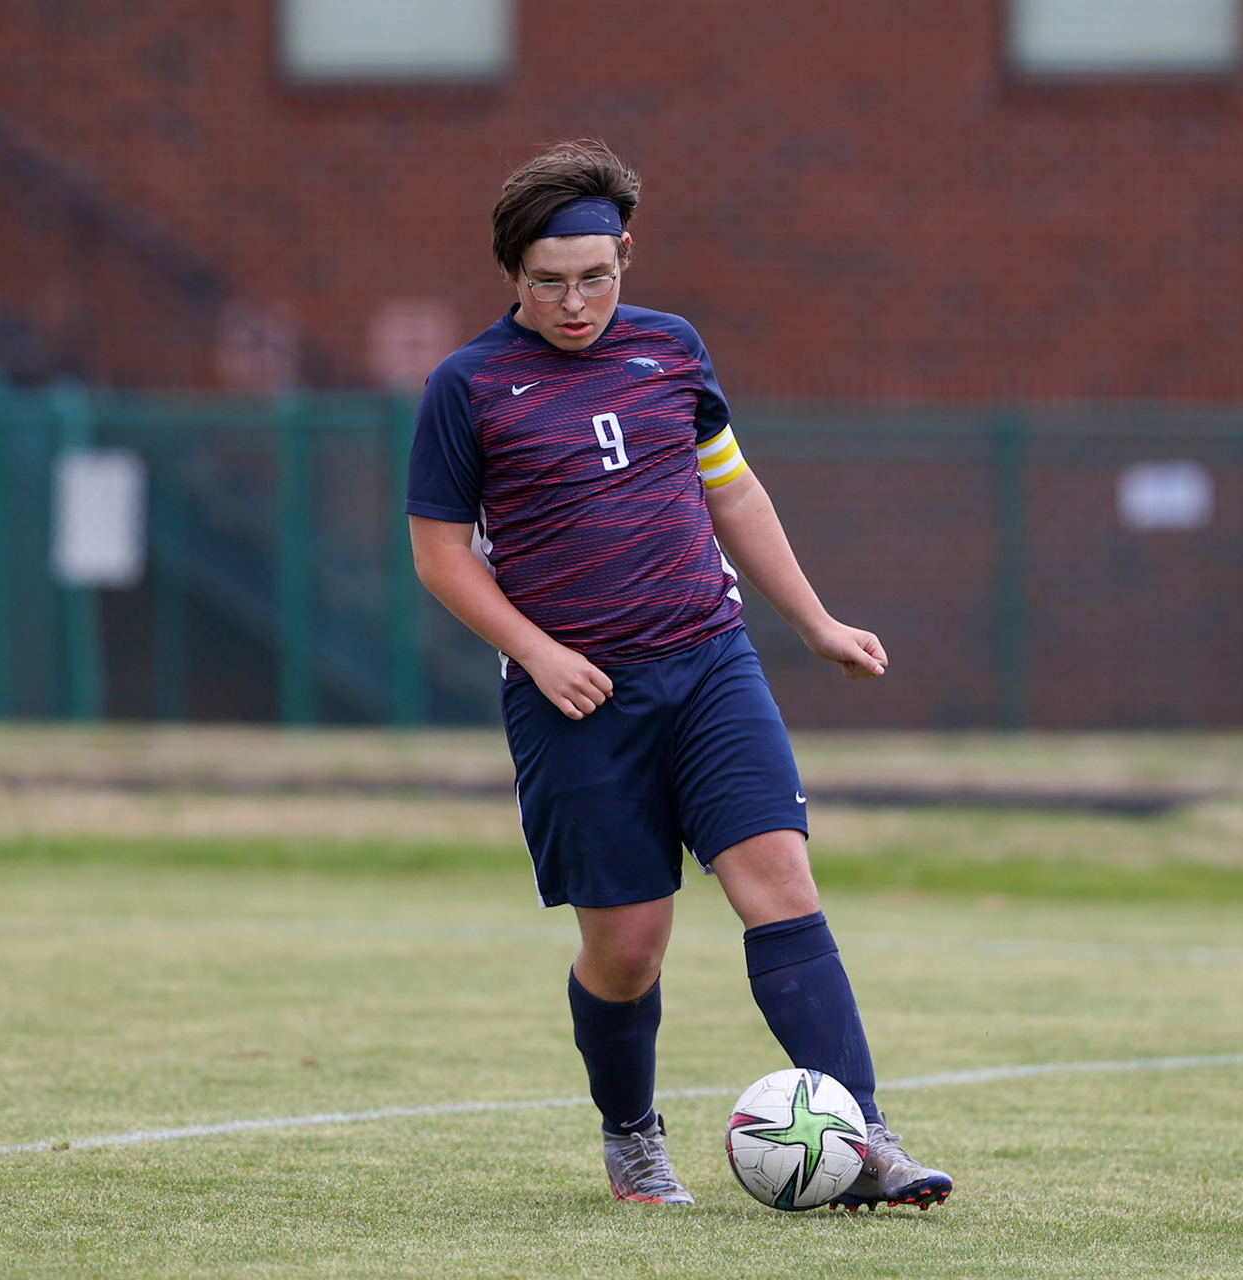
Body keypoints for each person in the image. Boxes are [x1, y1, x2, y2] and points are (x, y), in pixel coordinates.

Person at [404, 138, 951, 1211]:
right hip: (578, 702)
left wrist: (816, 622)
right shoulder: (467, 387)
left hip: (710, 667)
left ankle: (866, 1137)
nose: (575, 304)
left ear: (626, 254)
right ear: (512, 274)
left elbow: (731, 490)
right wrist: (539, 651)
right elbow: (439, 556)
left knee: (780, 883)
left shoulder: (672, 349)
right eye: (548, 283)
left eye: (594, 277)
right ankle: (631, 1138)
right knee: (628, 950)